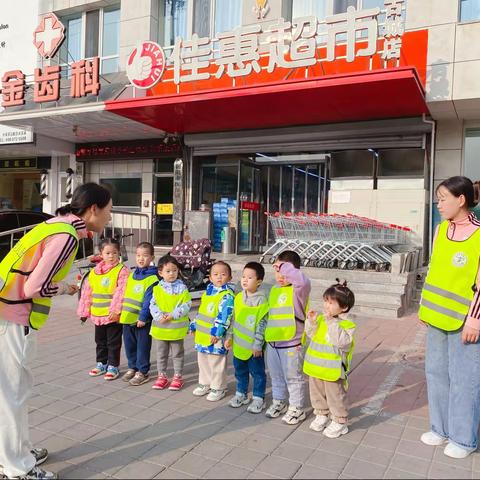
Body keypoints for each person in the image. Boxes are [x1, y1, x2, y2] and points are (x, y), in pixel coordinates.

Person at [0, 182, 112, 480]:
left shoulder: (53, 225)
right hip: (12, 318)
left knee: (17, 391)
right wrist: (66, 288)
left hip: (7, 313)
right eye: (109, 210)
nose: (110, 218)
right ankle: (15, 467)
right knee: (11, 395)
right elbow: (36, 285)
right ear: (93, 209)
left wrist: (85, 264)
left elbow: (37, 264)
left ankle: (19, 451)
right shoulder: (67, 236)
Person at [419, 176, 480, 459]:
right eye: (438, 198)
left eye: (443, 198)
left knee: (464, 379)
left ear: (462, 199)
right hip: (435, 315)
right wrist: (423, 306)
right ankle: (440, 428)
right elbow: (434, 269)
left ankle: (464, 439)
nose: (439, 204)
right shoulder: (440, 229)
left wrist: (475, 319)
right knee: (436, 373)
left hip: (464, 320)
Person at [304, 280, 356, 438]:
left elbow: (342, 342)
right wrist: (311, 322)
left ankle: (339, 421)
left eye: (332, 303)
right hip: (316, 367)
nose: (327, 306)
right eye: (326, 301)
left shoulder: (347, 325)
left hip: (333, 370)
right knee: (317, 393)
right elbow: (312, 335)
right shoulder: (322, 319)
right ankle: (321, 414)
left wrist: (331, 321)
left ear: (344, 307)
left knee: (335, 396)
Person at [265, 250, 311, 425]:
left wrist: (285, 267)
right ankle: (279, 402)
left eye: (285, 272)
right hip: (273, 343)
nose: (281, 276)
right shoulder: (275, 290)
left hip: (292, 343)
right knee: (276, 376)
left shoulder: (299, 289)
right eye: (277, 271)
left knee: (293, 377)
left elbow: (302, 280)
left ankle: (297, 408)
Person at [77, 237, 129, 381]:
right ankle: (101, 363)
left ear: (119, 253)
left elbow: (121, 292)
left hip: (113, 315)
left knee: (113, 342)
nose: (111, 256)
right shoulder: (94, 272)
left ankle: (113, 365)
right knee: (100, 341)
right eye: (107, 253)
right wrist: (84, 311)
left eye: (114, 253)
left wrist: (116, 311)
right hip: (97, 314)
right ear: (101, 254)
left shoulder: (122, 270)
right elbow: (87, 292)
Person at [225, 262, 269, 413]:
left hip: (253, 348)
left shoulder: (261, 300)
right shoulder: (238, 298)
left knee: (257, 373)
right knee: (240, 371)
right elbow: (233, 319)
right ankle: (241, 394)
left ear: (259, 281)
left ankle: (258, 398)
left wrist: (258, 345)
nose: (245, 280)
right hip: (238, 345)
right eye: (243, 276)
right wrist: (229, 337)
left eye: (250, 277)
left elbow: (262, 325)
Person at [190, 261, 234, 402]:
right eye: (215, 274)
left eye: (223, 274)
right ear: (210, 277)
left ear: (230, 277)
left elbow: (224, 316)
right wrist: (194, 325)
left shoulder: (227, 296)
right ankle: (205, 383)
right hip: (202, 336)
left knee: (216, 363)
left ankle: (218, 387)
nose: (219, 277)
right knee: (203, 361)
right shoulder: (207, 293)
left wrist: (217, 333)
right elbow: (201, 312)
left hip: (216, 337)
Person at [150, 254, 191, 391]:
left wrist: (173, 315)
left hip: (176, 330)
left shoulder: (182, 288)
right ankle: (162, 376)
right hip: (161, 328)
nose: (172, 274)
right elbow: (153, 305)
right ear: (160, 273)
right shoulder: (157, 288)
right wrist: (158, 316)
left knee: (177, 354)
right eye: (168, 271)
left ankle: (178, 376)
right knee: (161, 354)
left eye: (174, 270)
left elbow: (186, 304)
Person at [120, 242, 159, 386]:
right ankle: (133, 367)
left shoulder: (152, 278)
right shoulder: (132, 275)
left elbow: (149, 300)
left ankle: (143, 371)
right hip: (127, 317)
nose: (141, 259)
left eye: (145, 255)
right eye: (138, 255)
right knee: (129, 345)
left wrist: (143, 317)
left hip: (142, 321)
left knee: (142, 346)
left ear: (152, 257)